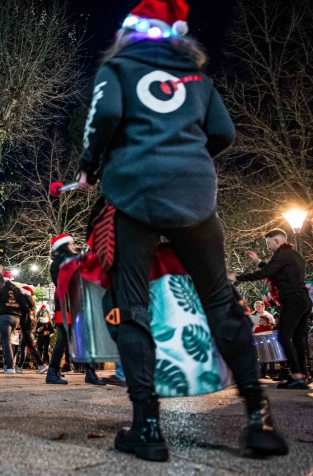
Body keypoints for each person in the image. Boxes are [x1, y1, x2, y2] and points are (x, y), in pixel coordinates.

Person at [76, 0, 287, 460]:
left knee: (131, 307)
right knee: (220, 301)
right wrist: (187, 158)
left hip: (133, 194)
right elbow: (224, 134)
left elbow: (105, 116)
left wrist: (89, 166)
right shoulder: (200, 80)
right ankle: (259, 419)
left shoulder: (118, 69)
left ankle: (147, 427)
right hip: (195, 198)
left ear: (129, 33)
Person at [230, 229, 312, 390]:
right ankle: (301, 376)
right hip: (304, 301)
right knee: (297, 339)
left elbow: (268, 272)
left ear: (276, 241)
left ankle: (297, 376)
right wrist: (258, 261)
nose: (268, 247)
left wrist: (238, 278)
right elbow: (274, 269)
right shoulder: (293, 255)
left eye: (268, 243)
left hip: (293, 301)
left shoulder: (282, 253)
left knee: (283, 336)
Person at [46, 234, 76, 385]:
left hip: (66, 303)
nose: (74, 246)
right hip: (65, 303)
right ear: (64, 246)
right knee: (63, 339)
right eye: (71, 244)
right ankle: (52, 372)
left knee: (65, 339)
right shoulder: (61, 262)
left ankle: (55, 370)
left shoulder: (61, 261)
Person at [0, 271, 33, 374]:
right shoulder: (17, 288)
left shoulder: (0, 286)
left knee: (6, 342)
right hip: (16, 317)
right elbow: (25, 304)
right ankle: (9, 365)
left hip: (5, 315)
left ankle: (9, 366)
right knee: (8, 341)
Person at [16, 286, 48, 374]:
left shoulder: (26, 303)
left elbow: (24, 308)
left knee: (32, 347)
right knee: (23, 347)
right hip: (29, 327)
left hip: (27, 328)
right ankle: (19, 366)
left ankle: (42, 364)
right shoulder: (32, 302)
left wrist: (23, 296)